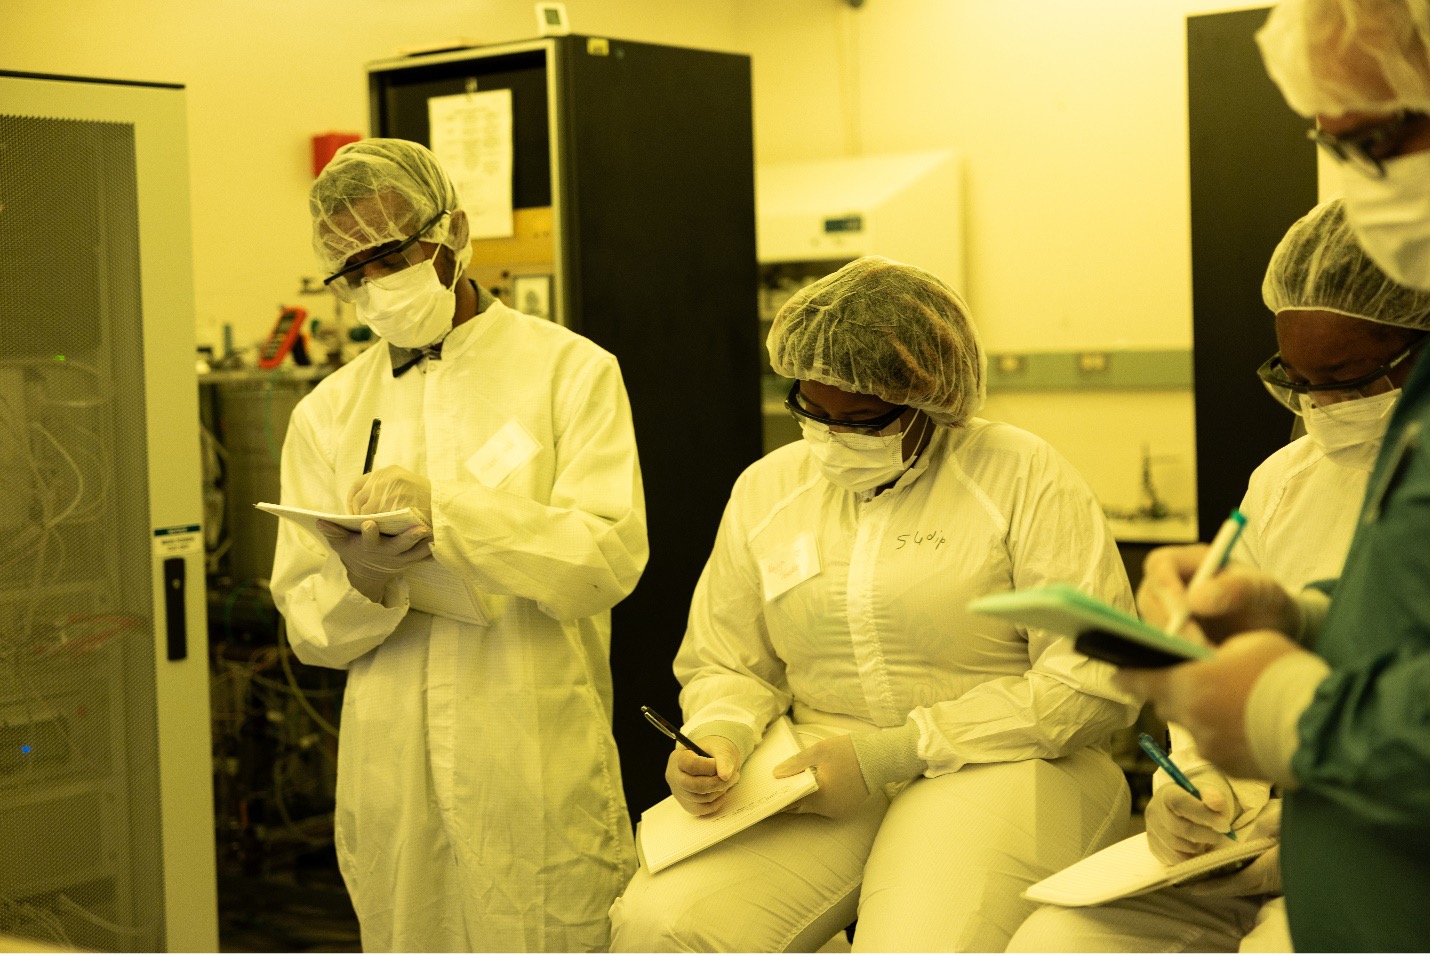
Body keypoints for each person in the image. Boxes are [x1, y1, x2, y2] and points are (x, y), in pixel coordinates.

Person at [608, 256, 1141, 953]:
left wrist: (901, 749)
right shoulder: (770, 490)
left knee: (920, 943)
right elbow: (728, 660)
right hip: (818, 768)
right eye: (812, 412)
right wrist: (720, 735)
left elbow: (1093, 681)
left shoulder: (1019, 475)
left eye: (862, 420)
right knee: (665, 926)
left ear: (932, 399)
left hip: (1006, 762)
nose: (833, 439)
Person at [1008, 196, 1430, 953]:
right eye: (1296, 380)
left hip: (1384, 847)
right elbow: (1232, 661)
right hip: (1258, 840)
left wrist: (1297, 785)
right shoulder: (1285, 481)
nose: (1320, 406)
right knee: (1053, 940)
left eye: (1347, 378)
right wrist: (1194, 788)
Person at [269, 139, 648, 952]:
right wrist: (362, 581)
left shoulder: (569, 373)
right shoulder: (329, 412)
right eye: (355, 269)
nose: (376, 282)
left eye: (392, 254)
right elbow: (308, 628)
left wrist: (455, 517)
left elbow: (605, 561)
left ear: (455, 233)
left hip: (529, 746)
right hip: (392, 763)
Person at [1120, 5, 1430, 948]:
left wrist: (1289, 712)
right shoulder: (1295, 473)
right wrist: (1287, 618)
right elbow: (1399, 626)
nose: (1368, 183)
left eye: (1379, 136)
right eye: (1336, 144)